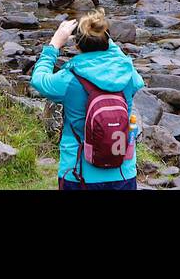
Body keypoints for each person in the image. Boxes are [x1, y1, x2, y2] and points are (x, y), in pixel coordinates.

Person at [31, 10, 144, 190]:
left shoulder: (69, 79)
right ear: (107, 40)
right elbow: (136, 78)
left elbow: (38, 79)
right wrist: (106, 39)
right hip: (123, 171)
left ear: (78, 46)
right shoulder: (128, 73)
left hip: (78, 173)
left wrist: (54, 44)